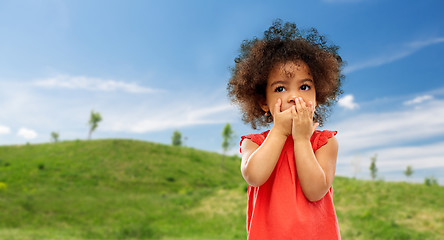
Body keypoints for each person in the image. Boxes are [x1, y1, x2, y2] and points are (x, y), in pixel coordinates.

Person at [227, 19, 344, 239]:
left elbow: (315, 191)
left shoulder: (325, 143)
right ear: (264, 102)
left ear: (317, 97)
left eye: (305, 86)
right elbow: (254, 176)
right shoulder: (253, 143)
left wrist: (302, 140)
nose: (294, 96)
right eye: (280, 88)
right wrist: (280, 132)